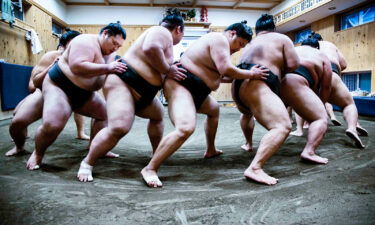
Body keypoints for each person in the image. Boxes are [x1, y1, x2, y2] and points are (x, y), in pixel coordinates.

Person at [141, 20, 269, 188]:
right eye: (239, 43)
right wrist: (251, 74)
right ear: (232, 34)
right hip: (182, 85)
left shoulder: (220, 47)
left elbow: (220, 75)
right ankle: (150, 168)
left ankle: (211, 149)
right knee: (185, 128)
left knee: (214, 109)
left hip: (198, 91)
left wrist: (243, 75)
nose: (239, 48)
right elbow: (226, 69)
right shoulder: (219, 38)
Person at [77, 12, 187, 182]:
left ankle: (156, 153)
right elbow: (150, 48)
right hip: (125, 82)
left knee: (158, 115)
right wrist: (167, 69)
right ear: (179, 29)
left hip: (144, 91)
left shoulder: (166, 43)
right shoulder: (161, 31)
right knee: (119, 127)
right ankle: (87, 162)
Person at [26, 22, 127, 170]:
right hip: (60, 86)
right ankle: (38, 153)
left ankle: (95, 147)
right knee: (52, 124)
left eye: (119, 46)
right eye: (114, 43)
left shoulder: (110, 53)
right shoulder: (85, 41)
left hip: (84, 93)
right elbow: (77, 66)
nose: (115, 48)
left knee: (105, 114)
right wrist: (108, 67)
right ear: (105, 33)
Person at [231, 14, 299, 185]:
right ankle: (255, 168)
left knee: (247, 113)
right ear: (273, 28)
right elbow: (293, 64)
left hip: (238, 86)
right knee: (282, 126)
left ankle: (248, 143)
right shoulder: (282, 38)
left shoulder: (250, 43)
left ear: (257, 30)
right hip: (258, 81)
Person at [5, 30, 90, 157]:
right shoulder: (50, 57)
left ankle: (90, 142)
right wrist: (52, 66)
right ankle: (19, 147)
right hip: (46, 91)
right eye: (72, 45)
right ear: (63, 46)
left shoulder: (86, 58)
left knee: (104, 113)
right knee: (17, 121)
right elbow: (33, 86)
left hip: (74, 94)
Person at [280, 38, 332, 164]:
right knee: (320, 118)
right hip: (298, 82)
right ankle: (309, 151)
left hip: (276, 83)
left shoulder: (293, 49)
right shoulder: (321, 55)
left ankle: (248, 144)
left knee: (278, 125)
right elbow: (326, 86)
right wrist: (322, 104)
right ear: (317, 47)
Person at [312, 32, 367, 148]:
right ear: (322, 39)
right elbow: (344, 64)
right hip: (331, 72)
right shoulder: (330, 45)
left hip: (313, 75)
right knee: (348, 104)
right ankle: (352, 127)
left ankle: (304, 129)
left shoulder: (307, 46)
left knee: (321, 102)